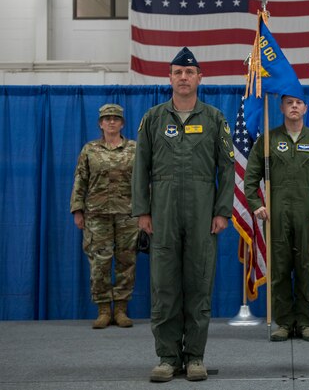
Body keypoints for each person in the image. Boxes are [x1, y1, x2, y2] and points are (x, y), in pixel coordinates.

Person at [132, 47, 235, 383]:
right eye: (178, 72)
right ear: (170, 78)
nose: (184, 78)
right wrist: (142, 211)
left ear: (199, 78)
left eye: (189, 73)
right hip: (162, 212)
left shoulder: (215, 119)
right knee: (164, 287)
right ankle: (166, 357)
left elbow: (227, 167)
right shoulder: (153, 118)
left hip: (203, 212)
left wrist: (222, 211)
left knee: (198, 286)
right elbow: (141, 168)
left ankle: (194, 357)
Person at [244, 94, 309, 342]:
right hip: (276, 215)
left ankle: (305, 322)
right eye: (289, 102)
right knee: (280, 269)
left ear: (306, 107)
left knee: (307, 269)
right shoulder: (268, 140)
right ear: (281, 107)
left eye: (299, 103)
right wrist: (256, 204)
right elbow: (250, 178)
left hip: (308, 216)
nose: (294, 106)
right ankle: (283, 322)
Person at [70, 103, 138, 329]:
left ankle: (120, 309)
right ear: (100, 124)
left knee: (126, 261)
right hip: (96, 215)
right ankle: (102, 310)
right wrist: (77, 210)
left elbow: (144, 182)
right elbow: (80, 179)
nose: (111, 122)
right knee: (99, 262)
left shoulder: (134, 149)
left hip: (128, 214)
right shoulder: (90, 149)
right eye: (107, 119)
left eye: (115, 119)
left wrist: (146, 211)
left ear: (122, 123)